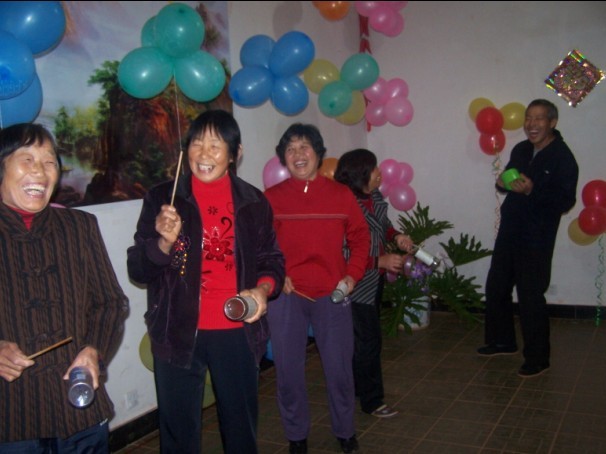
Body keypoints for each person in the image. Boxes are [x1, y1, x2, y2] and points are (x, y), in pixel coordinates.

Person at [127, 109, 284, 453]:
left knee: (240, 428)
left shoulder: (253, 202)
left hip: (237, 329)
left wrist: (262, 290)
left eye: (215, 145)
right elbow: (137, 269)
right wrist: (163, 243)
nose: (204, 154)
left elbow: (271, 260)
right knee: (178, 433)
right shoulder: (164, 198)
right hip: (177, 330)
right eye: (197, 144)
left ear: (235, 153)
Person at [0, 123, 129, 452]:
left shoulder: (80, 227)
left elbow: (111, 303)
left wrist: (93, 350)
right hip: (11, 417)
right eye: (27, 159)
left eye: (49, 162)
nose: (40, 171)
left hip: (78, 409)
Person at [264, 124, 370, 454]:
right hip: (288, 296)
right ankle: (296, 435)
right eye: (291, 149)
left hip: (332, 294)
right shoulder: (272, 198)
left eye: (304, 146)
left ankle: (345, 431)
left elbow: (360, 238)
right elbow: (261, 245)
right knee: (288, 372)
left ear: (318, 153)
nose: (298, 154)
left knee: (339, 370)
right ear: (283, 157)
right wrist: (277, 273)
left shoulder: (341, 195)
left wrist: (352, 276)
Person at [477, 99, 579, 378]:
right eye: (528, 118)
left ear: (552, 123)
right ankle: (502, 341)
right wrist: (501, 183)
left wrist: (533, 190)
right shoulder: (521, 149)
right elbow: (508, 180)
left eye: (539, 118)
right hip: (510, 228)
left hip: (537, 236)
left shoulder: (563, 157)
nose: (531, 124)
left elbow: (565, 201)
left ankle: (538, 358)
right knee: (497, 285)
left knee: (530, 295)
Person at [334, 148, 413, 418]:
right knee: (368, 342)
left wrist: (397, 236)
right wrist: (380, 261)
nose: (380, 172)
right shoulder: (344, 206)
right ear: (360, 175)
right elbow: (342, 254)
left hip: (372, 282)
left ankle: (358, 386)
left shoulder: (373, 195)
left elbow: (383, 223)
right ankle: (372, 401)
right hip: (354, 286)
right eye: (374, 168)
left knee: (363, 341)